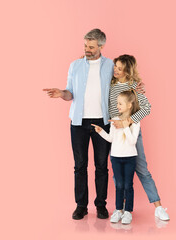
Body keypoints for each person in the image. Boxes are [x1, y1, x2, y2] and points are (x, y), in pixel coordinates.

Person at [43, 29, 113, 219]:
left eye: (91, 47)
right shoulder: (74, 66)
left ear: (101, 46)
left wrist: (138, 86)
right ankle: (81, 205)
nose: (87, 49)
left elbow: (121, 86)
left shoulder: (111, 66)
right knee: (80, 165)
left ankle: (101, 205)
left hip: (103, 123)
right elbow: (70, 93)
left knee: (101, 166)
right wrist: (61, 93)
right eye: (85, 46)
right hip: (78, 123)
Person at [108, 54, 169, 220]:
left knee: (142, 170)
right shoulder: (110, 84)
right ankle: (120, 209)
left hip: (131, 133)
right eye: (115, 67)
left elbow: (146, 108)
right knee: (117, 175)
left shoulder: (134, 87)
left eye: (120, 69)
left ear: (128, 71)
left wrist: (128, 122)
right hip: (115, 133)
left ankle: (158, 207)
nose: (116, 70)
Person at [92, 90, 141, 225]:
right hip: (115, 157)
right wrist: (101, 131)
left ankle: (128, 212)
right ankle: (118, 210)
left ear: (129, 105)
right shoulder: (115, 119)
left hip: (130, 157)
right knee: (119, 185)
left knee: (128, 185)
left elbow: (132, 141)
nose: (117, 105)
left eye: (120, 103)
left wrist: (125, 126)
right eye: (117, 103)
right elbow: (111, 138)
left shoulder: (135, 122)